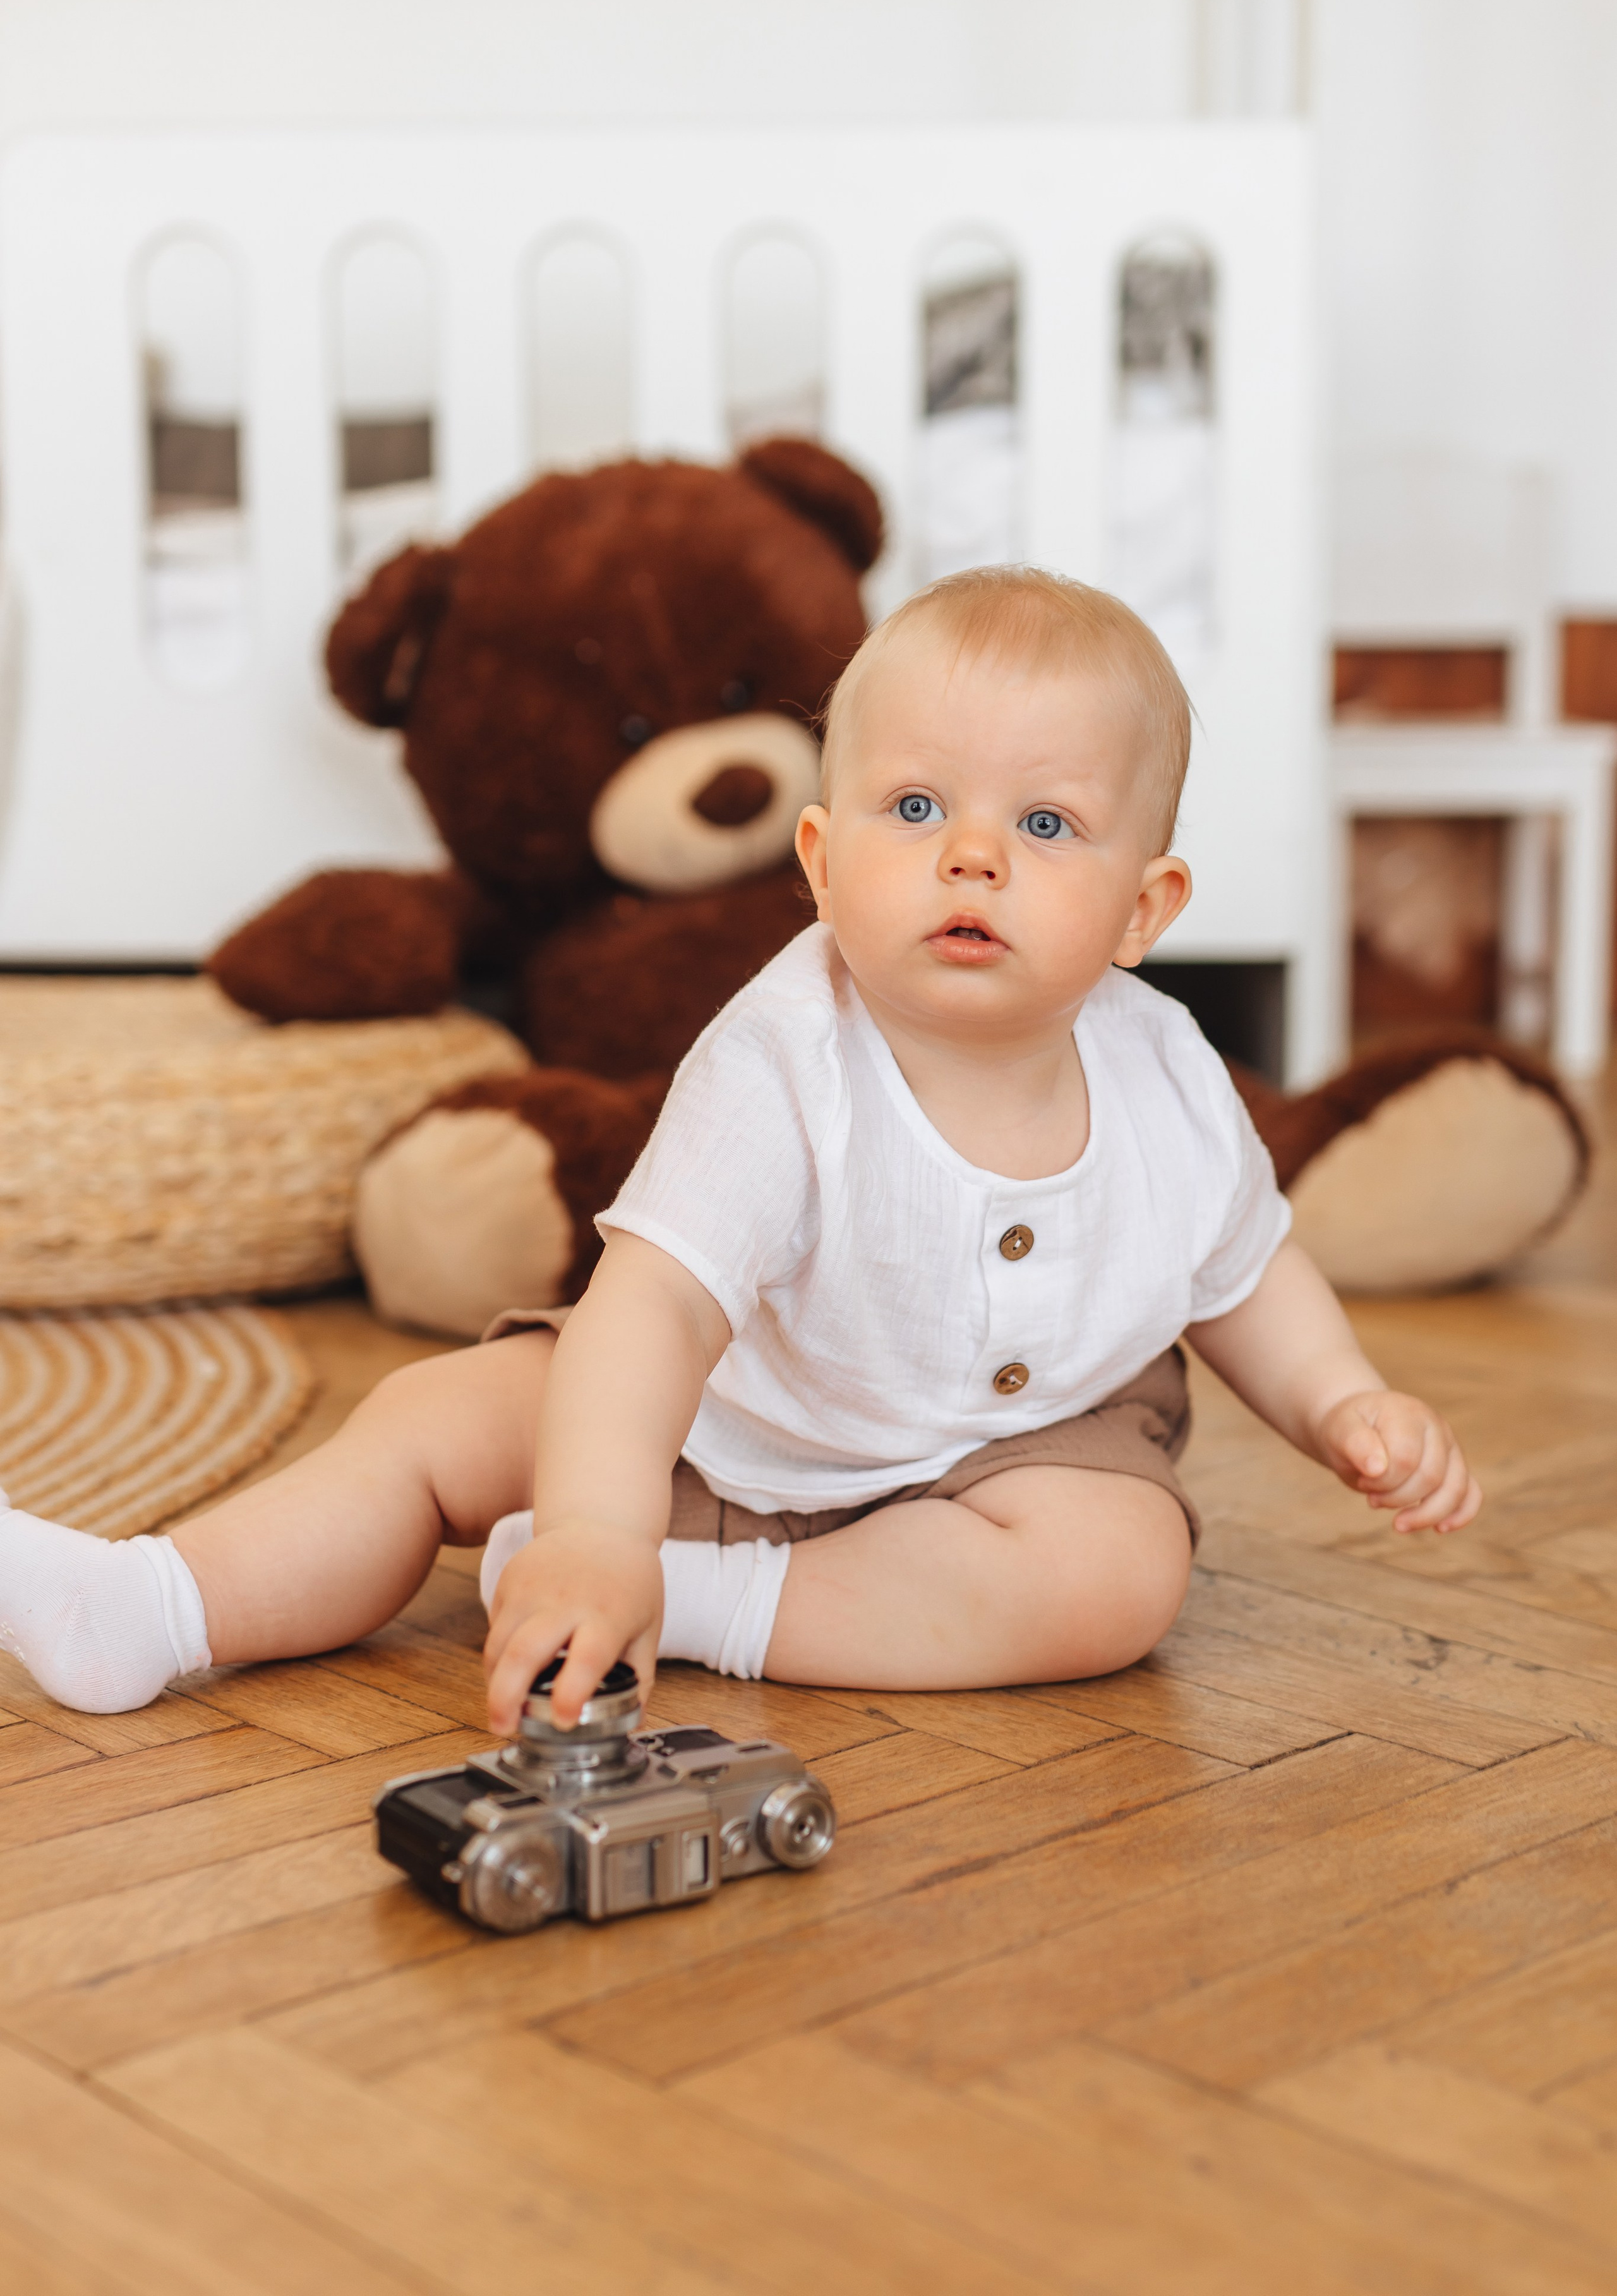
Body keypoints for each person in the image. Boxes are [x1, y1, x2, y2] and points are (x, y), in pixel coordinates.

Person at [0, 568, 1481, 1729]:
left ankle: (705, 1606)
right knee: (429, 1427)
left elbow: (1241, 1270)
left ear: (1144, 911)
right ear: (824, 863)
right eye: (916, 808)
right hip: (714, 1415)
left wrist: (1341, 1399)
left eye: (1043, 822)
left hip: (1008, 1466)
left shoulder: (1164, 1073)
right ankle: (155, 1609)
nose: (973, 856)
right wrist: (590, 1519)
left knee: (1117, 1583)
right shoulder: (784, 1055)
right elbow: (651, 1310)